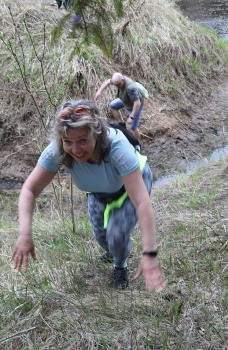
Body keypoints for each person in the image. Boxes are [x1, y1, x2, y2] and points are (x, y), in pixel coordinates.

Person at [11, 99, 165, 291]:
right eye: (68, 141)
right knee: (102, 237)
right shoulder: (58, 150)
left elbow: (142, 202)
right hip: (98, 190)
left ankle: (120, 266)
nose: (75, 150)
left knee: (116, 235)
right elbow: (29, 189)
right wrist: (25, 234)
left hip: (130, 186)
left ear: (97, 134)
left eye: (83, 140)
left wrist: (149, 253)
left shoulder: (117, 148)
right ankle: (113, 252)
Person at [95, 72, 144, 141]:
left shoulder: (130, 88)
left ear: (122, 80)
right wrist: (99, 91)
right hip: (125, 99)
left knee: (133, 127)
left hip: (134, 106)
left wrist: (131, 117)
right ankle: (122, 123)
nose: (117, 86)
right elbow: (107, 82)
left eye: (119, 85)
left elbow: (137, 103)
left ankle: (138, 144)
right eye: (116, 85)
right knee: (112, 105)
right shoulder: (117, 80)